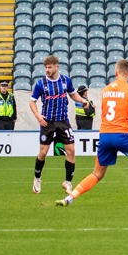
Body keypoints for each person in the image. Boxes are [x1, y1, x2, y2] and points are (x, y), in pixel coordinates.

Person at [55, 59, 128, 207]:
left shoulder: (106, 90)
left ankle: (70, 198)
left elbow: (110, 117)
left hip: (105, 135)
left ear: (115, 73)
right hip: (122, 135)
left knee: (97, 173)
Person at [29, 55, 90, 194]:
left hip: (63, 121)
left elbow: (73, 94)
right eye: (45, 67)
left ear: (57, 66)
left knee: (71, 150)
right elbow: (32, 102)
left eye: (49, 67)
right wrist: (38, 116)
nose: (47, 70)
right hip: (47, 121)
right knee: (43, 153)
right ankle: (37, 178)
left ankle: (68, 182)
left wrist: (83, 101)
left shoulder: (65, 81)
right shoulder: (41, 84)